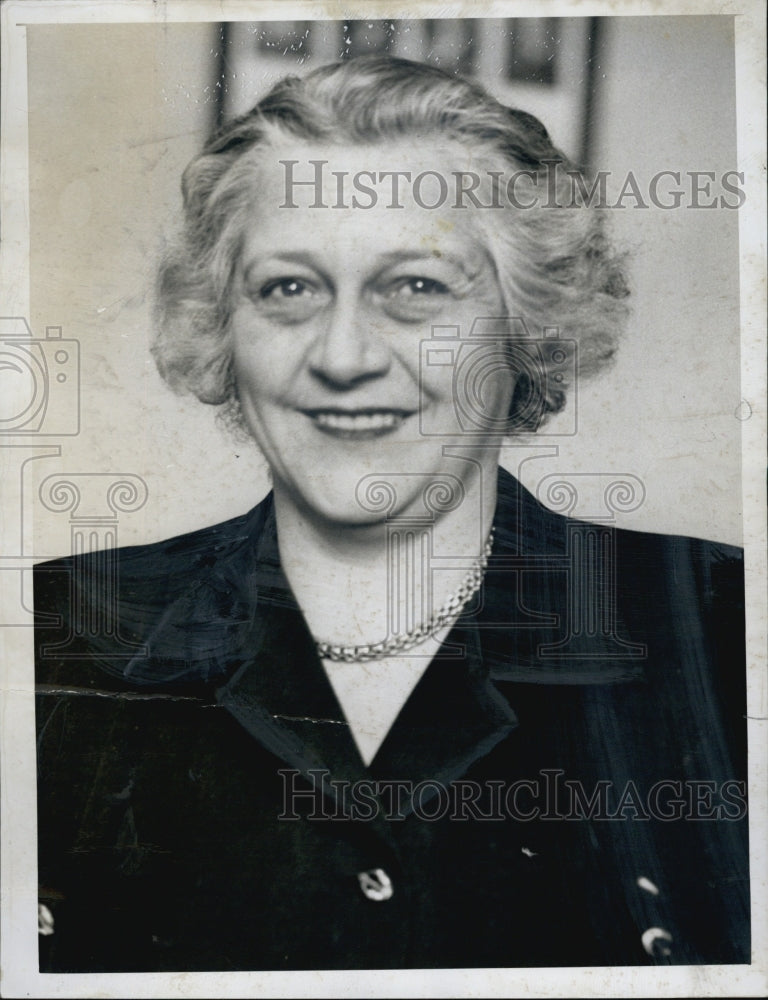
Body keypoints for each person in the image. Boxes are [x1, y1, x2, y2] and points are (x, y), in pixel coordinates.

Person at [34, 55, 749, 972]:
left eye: (415, 288)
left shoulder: (723, 633)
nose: (342, 357)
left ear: (527, 321)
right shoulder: (51, 640)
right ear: (221, 325)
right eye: (288, 288)